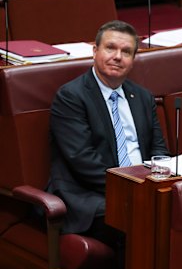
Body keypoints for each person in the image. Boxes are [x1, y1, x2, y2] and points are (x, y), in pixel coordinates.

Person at [48, 20, 169, 248]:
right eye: (110, 48)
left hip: (141, 189)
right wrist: (134, 190)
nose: (117, 56)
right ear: (95, 51)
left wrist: (155, 181)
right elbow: (82, 161)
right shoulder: (72, 97)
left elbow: (158, 149)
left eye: (126, 51)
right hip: (92, 195)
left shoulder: (142, 97)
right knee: (139, 220)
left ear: (134, 59)